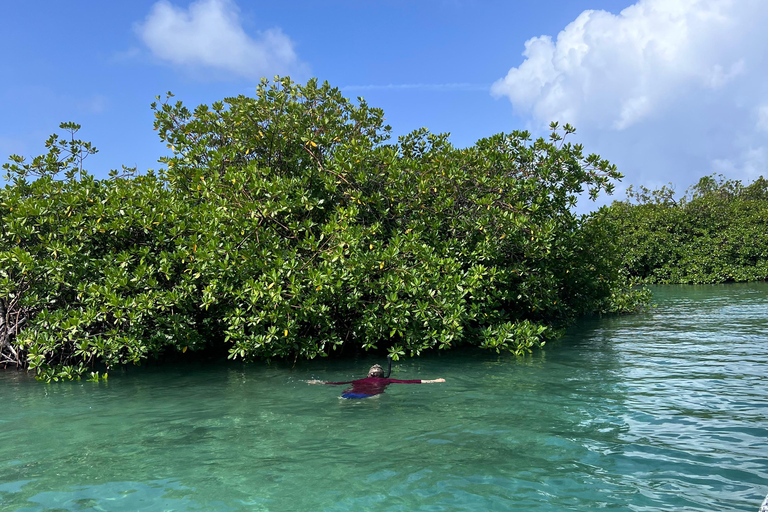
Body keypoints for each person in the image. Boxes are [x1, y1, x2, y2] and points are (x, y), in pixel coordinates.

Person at [307, 363, 445, 399]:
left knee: (342, 400)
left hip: (349, 394)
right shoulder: (387, 380)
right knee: (377, 399)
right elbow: (410, 382)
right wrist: (434, 380)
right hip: (372, 397)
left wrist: (319, 382)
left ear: (369, 374)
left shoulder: (359, 380)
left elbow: (337, 383)